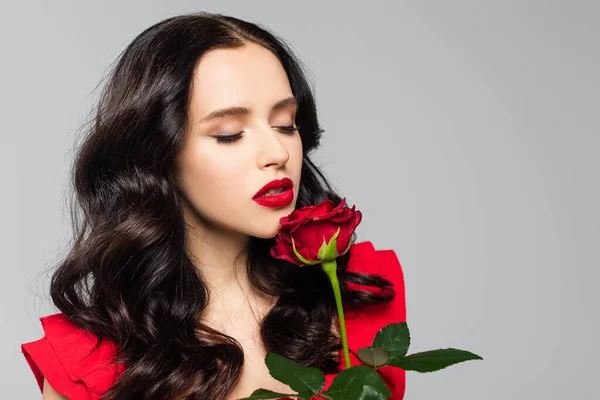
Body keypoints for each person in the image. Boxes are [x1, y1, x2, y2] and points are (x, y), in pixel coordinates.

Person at [21, 11, 407, 400]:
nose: (277, 153)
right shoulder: (86, 362)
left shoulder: (360, 293)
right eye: (229, 134)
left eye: (286, 124)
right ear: (158, 155)